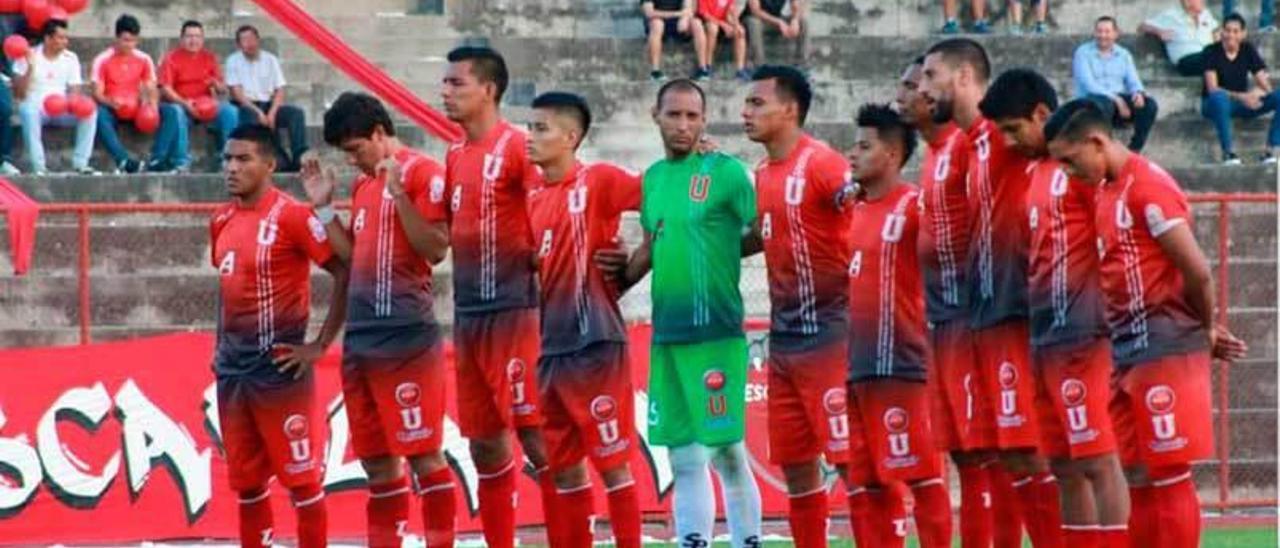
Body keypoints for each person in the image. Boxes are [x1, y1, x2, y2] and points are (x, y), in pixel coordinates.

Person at [1045, 98, 1248, 548]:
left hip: (1165, 346)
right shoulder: (1105, 191)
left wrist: (1206, 328)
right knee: (1137, 473)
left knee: (1169, 471)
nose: (1066, 172)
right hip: (1125, 350)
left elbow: (1197, 270)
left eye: (1070, 160)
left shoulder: (1148, 187)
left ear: (1097, 142)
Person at [602, 78, 763, 548]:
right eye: (674, 114)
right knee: (684, 458)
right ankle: (695, 540)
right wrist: (620, 276)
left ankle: (746, 540)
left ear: (706, 121)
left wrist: (723, 251)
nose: (683, 125)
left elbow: (767, 227)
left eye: (693, 116)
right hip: (667, 337)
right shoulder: (652, 179)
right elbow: (655, 243)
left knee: (728, 451)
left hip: (715, 332)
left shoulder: (726, 172)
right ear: (656, 116)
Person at [980, 69, 1131, 548]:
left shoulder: (1086, 171)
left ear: (1041, 116)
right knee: (1063, 463)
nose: (1008, 140)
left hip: (1085, 333)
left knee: (1098, 458)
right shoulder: (1037, 174)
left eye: (1013, 128)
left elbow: (1117, 239)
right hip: (1044, 337)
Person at [300, 92, 457, 548]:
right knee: (377, 463)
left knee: (424, 455)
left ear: (380, 134)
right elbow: (352, 258)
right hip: (362, 342)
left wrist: (401, 194)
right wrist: (325, 208)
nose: (352, 161)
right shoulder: (364, 186)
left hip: (406, 337)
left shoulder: (424, 172)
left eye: (356, 150)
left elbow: (435, 248)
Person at [920, 38, 1060, 547]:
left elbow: (1071, 153)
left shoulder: (1006, 134)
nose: (923, 87)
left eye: (931, 76)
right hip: (981, 315)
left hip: (1024, 312)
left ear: (962, 77)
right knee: (1009, 453)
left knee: (1033, 451)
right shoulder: (963, 146)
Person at [437, 46, 556, 548]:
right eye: (445, 83)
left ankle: (571, 536)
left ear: (489, 89)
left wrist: (538, 264)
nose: (446, 92)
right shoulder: (454, 155)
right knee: (484, 444)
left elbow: (551, 211)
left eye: (457, 83)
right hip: (469, 317)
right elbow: (447, 230)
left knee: (535, 436)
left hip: (515, 314)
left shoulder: (517, 147)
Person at [209, 123, 348, 548]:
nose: (232, 167)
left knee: (302, 482)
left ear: (269, 164)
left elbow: (345, 270)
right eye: (228, 159)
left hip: (279, 370)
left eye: (244, 159)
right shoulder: (221, 220)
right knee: (248, 485)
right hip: (233, 374)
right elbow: (228, 290)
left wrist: (320, 344)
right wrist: (220, 351)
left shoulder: (292, 216)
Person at [524, 91, 644, 548]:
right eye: (529, 128)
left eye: (541, 129)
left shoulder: (600, 180)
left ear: (571, 137)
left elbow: (660, 199)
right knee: (564, 469)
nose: (530, 138)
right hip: (552, 351)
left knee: (613, 466)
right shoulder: (533, 199)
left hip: (596, 345)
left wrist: (636, 261)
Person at [740, 64, 852, 548]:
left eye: (757, 103)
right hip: (784, 341)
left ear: (790, 110)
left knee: (851, 462)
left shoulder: (823, 164)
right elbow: (760, 238)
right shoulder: (763, 174)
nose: (746, 112)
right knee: (798, 467)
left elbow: (863, 208)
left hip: (832, 334)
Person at [897, 55, 997, 548]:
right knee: (963, 455)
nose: (911, 94)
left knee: (987, 458)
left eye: (917, 84)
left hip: (971, 320)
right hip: (943, 321)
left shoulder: (963, 148)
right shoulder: (936, 155)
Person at [842, 103, 952, 548]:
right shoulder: (852, 210)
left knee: (921, 477)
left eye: (864, 147)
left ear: (891, 155)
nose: (852, 155)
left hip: (901, 366)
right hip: (855, 368)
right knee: (866, 484)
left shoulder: (913, 206)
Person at [12, 18, 97, 175]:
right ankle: (39, 167)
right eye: (61, 37)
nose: (65, 41)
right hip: (37, 108)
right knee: (27, 110)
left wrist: (71, 103)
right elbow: (19, 94)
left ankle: (81, 163)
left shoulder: (71, 58)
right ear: (47, 38)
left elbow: (75, 90)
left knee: (90, 111)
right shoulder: (28, 55)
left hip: (61, 107)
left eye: (66, 37)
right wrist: (30, 68)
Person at [155, 20, 240, 172]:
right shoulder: (171, 59)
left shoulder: (209, 57)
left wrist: (217, 84)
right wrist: (185, 103)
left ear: (202, 39)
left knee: (230, 111)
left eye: (197, 36)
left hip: (205, 106)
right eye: (189, 36)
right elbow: (165, 89)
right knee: (176, 112)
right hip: (181, 105)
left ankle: (228, 158)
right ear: (181, 39)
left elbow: (222, 89)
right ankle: (180, 161)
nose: (193, 40)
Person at [1200, 13, 1280, 164]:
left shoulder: (1247, 49)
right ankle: (1228, 153)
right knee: (1219, 98)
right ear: (1222, 31)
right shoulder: (1210, 51)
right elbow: (1213, 89)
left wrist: (1258, 93)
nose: (1231, 35)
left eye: (1236, 31)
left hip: (1240, 104)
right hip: (1213, 104)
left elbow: (1265, 84)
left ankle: (1271, 150)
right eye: (1228, 30)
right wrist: (1243, 96)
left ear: (1243, 34)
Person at [227, 25, 307, 172]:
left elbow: (279, 90)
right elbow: (236, 93)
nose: (249, 43)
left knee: (296, 113)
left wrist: (273, 112)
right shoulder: (233, 61)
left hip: (269, 104)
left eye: (252, 39)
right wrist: (259, 113)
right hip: (247, 105)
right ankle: (265, 158)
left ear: (258, 40)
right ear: (239, 45)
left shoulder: (271, 60)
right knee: (249, 116)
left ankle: (299, 157)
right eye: (244, 40)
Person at [1074, 16, 1158, 152]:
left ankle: (1135, 149)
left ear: (1115, 34)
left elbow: (1133, 81)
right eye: (1099, 31)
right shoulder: (1083, 53)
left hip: (1117, 103)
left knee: (1149, 105)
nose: (1102, 35)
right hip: (1092, 101)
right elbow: (1089, 84)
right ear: (1094, 33)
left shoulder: (1124, 55)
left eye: (1107, 31)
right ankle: (1103, 148)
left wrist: (1138, 93)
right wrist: (1115, 98)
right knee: (1104, 103)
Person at [91, 14, 157, 174]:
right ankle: (123, 160)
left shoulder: (144, 59)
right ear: (117, 38)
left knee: (172, 112)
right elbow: (96, 93)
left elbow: (151, 87)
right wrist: (110, 102)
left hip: (137, 108)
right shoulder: (102, 59)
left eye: (133, 40)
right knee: (98, 113)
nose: (129, 44)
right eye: (125, 40)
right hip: (113, 107)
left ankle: (158, 160)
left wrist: (151, 107)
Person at [1139, 0, 1219, 76]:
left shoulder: (1206, 15)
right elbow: (1142, 26)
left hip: (1206, 56)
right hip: (1186, 60)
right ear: (1187, 1)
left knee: (1223, 60)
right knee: (1217, 59)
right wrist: (1159, 32)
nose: (1203, 1)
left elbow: (1216, 30)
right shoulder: (1172, 16)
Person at [642, 0, 711, 81]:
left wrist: (685, 18)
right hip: (658, 22)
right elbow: (649, 13)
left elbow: (688, 9)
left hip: (678, 23)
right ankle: (655, 71)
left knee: (696, 23)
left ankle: (703, 70)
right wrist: (678, 14)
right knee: (657, 24)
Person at [743, 0, 810, 68]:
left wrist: (795, 20)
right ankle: (758, 64)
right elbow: (755, 11)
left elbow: (795, 4)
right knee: (754, 23)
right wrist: (778, 22)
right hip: (757, 18)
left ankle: (802, 63)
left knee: (803, 21)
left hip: (776, 18)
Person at [698, 0, 750, 80]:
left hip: (724, 22)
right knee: (712, 28)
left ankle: (740, 70)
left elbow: (730, 14)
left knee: (740, 32)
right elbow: (705, 14)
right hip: (709, 22)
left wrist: (736, 25)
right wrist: (722, 24)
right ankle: (708, 66)